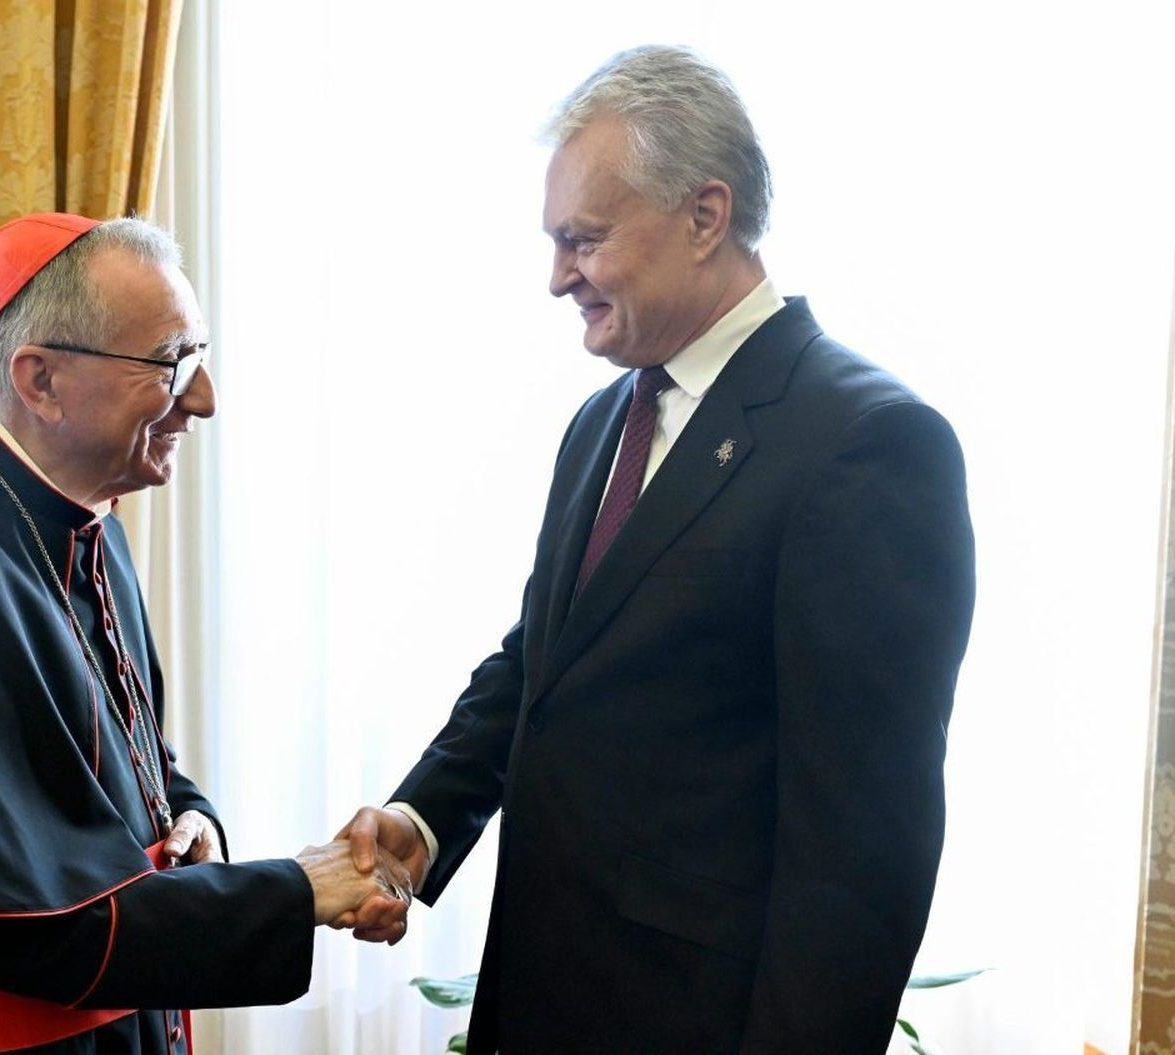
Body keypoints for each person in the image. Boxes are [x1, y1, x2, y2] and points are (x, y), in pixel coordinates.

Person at [337, 45, 976, 1054]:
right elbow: (540, 666)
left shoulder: (865, 443)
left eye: (582, 240)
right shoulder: (603, 421)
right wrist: (422, 819)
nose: (556, 278)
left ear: (704, 215)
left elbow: (863, 845)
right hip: (543, 1004)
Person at [0, 213, 409, 1055]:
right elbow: (16, 926)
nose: (203, 397)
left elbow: (112, 765)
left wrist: (189, 818)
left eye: (197, 356)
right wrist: (294, 890)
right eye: (171, 362)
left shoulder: (88, 515)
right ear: (41, 379)